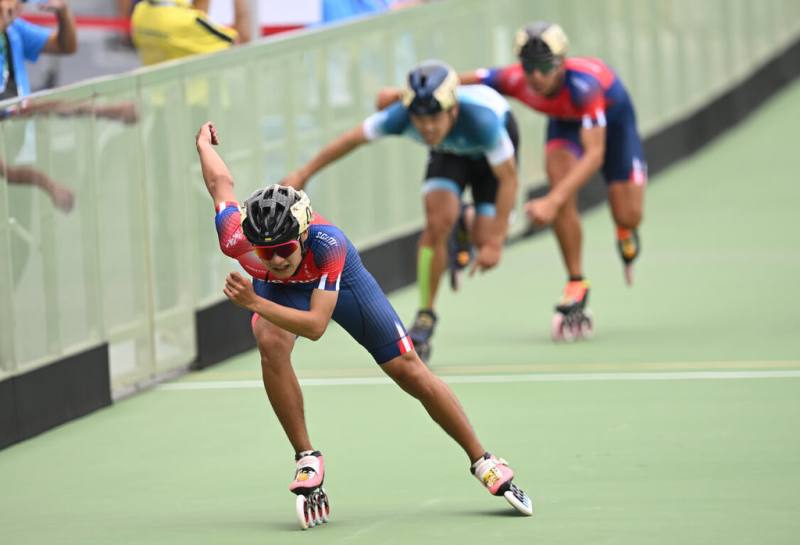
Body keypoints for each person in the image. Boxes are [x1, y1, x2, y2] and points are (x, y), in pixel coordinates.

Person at [195, 121, 532, 528]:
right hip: (282, 293)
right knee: (267, 336)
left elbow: (317, 325)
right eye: (265, 252)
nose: (276, 258)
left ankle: (483, 460)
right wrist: (203, 144)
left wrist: (252, 301)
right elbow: (220, 183)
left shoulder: (328, 244)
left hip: (339, 285)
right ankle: (307, 458)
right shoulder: (235, 238)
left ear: (302, 235)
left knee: (408, 371)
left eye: (284, 248)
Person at [282, 60, 520, 363]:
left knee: (484, 240)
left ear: (453, 111)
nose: (427, 128)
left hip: (490, 162)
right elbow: (351, 140)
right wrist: (304, 173)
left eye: (435, 118)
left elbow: (509, 180)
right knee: (436, 225)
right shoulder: (401, 117)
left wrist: (496, 241)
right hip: (449, 152)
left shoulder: (484, 123)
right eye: (420, 120)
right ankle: (426, 313)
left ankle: (466, 218)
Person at [459, 21, 647, 341]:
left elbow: (594, 155)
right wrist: (404, 93)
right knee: (559, 181)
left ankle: (624, 228)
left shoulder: (583, 87)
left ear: (561, 64)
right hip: (565, 125)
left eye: (544, 67)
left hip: (611, 130)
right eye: (529, 67)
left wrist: (551, 200)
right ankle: (575, 280)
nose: (535, 76)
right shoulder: (515, 79)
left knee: (627, 213)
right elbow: (458, 81)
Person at [130, 0, 251, 67]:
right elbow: (242, 44)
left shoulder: (140, 11)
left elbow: (197, 21)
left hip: (157, 102)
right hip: (196, 105)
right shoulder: (185, 22)